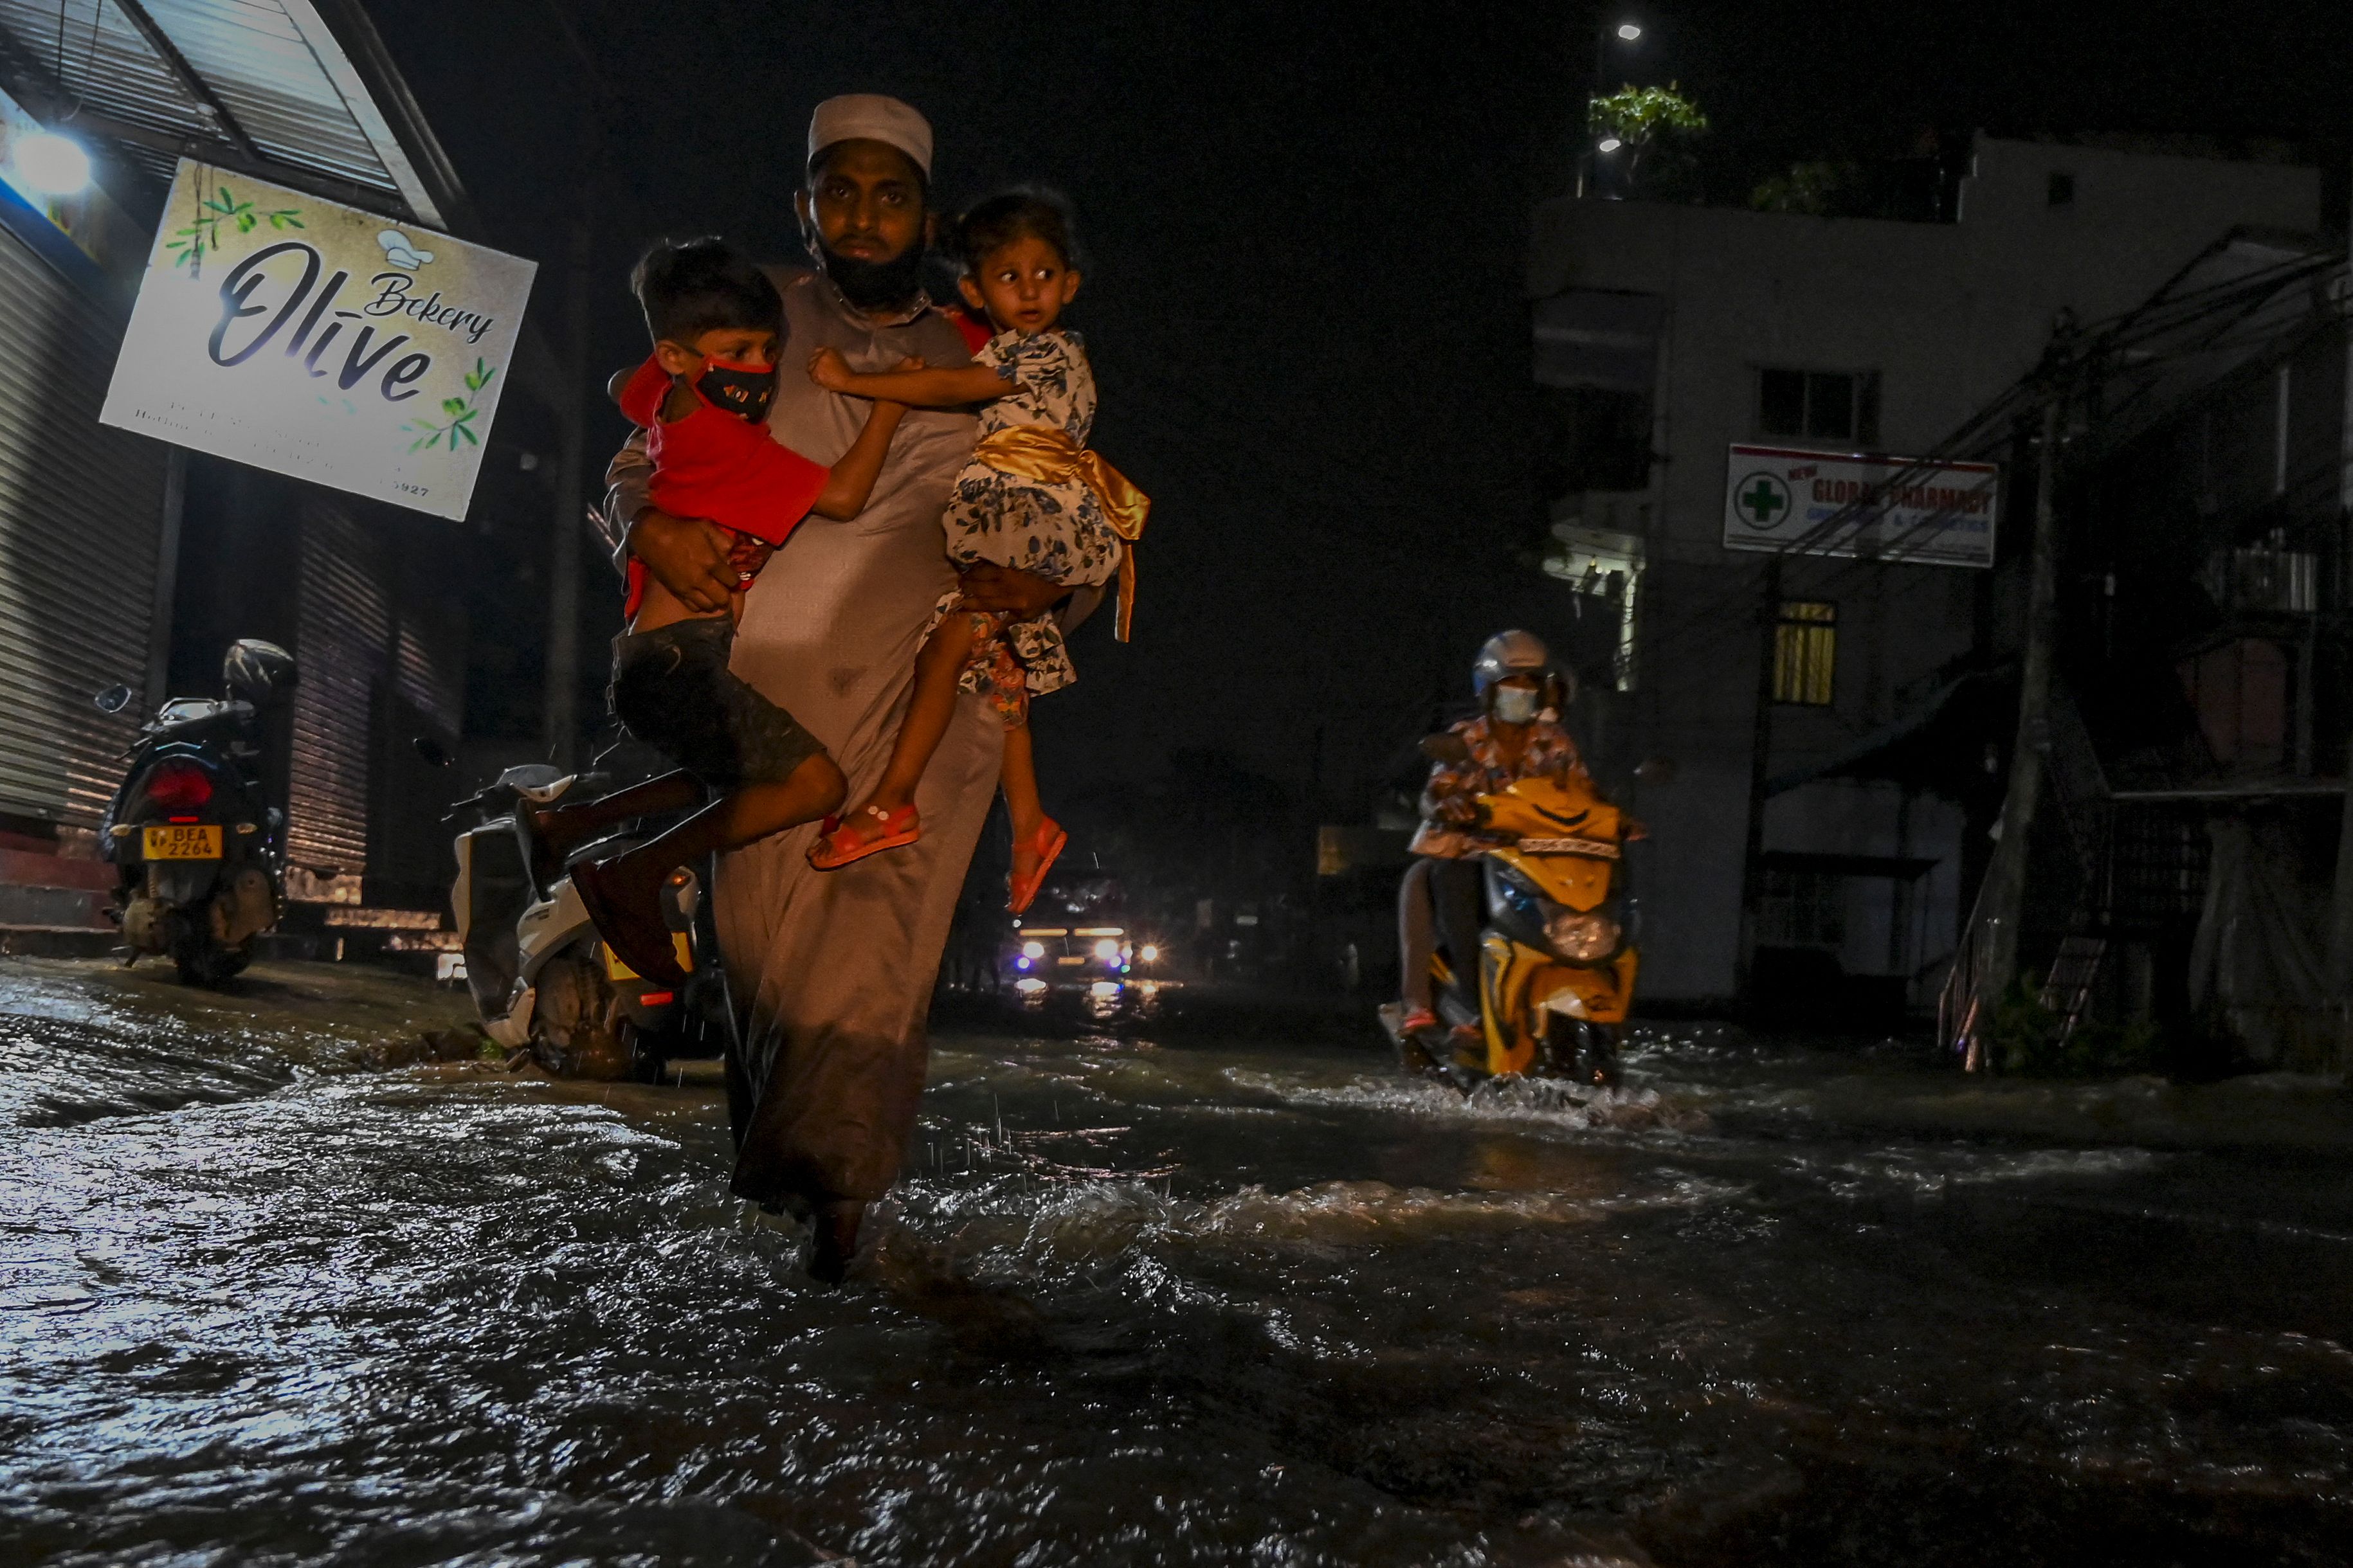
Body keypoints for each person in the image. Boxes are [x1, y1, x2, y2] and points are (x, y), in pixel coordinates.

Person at [606, 95, 1100, 1283]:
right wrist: (645, 521)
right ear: (804, 206)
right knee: (761, 955)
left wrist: (1051, 593)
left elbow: (1076, 510)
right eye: (839, 191)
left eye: (889, 195)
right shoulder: (750, 321)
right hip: (767, 705)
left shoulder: (992, 352)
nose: (863, 215)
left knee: (867, 963)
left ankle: (839, 1216)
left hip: (927, 715)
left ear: (927, 215)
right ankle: (797, 1188)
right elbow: (638, 459)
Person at [531, 239, 912, 988]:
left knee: (723, 779)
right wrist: (890, 408)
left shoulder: (665, 401)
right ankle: (629, 874)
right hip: (682, 661)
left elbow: (621, 386)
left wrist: (671, 360)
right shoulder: (722, 443)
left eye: (768, 348)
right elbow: (842, 497)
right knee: (815, 787)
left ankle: (567, 824)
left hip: (655, 660)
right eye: (736, 349)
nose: (759, 366)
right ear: (677, 354)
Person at [801, 192, 1147, 916]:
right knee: (999, 674)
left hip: (1040, 515)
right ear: (974, 290)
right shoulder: (1005, 345)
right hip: (1019, 512)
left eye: (1044, 274)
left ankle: (893, 799)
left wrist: (858, 383)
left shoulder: (1046, 351)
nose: (1029, 291)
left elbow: (957, 386)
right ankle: (1029, 823)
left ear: (1071, 284)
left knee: (951, 643)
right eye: (1009, 277)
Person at [1397, 631, 1586, 1045]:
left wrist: (1618, 817)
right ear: (1488, 689)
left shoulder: (1555, 743)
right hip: (1475, 855)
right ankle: (1474, 1006)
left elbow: (1581, 793)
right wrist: (1447, 806)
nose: (1521, 693)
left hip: (1539, 858)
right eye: (1511, 685)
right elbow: (1436, 793)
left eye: (1529, 685)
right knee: (1452, 882)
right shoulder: (1468, 738)